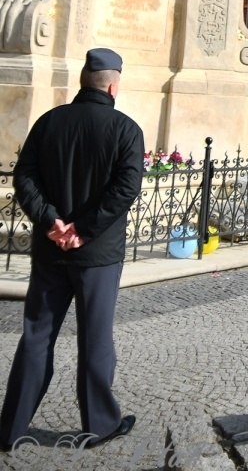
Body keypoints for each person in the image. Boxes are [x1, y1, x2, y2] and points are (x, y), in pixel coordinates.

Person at [0, 48, 145, 451]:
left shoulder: (49, 122)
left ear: (84, 81)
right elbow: (125, 189)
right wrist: (83, 229)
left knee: (36, 337)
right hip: (97, 254)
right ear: (114, 85)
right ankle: (99, 425)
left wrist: (51, 221)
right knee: (95, 339)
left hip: (51, 250)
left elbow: (24, 176)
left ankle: (10, 428)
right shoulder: (126, 129)